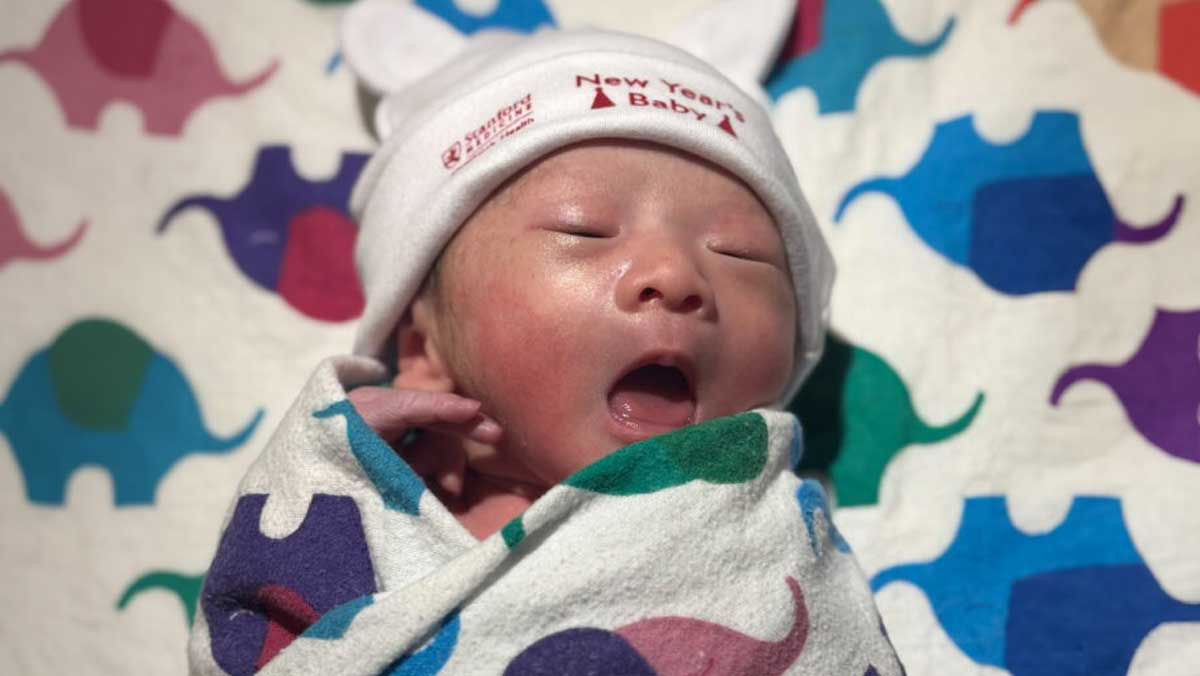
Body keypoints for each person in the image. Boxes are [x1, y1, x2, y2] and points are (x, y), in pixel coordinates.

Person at [189, 22, 903, 676]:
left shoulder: (770, 531)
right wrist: (326, 469)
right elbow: (250, 638)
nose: (678, 276)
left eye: (738, 252)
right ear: (424, 350)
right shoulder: (379, 528)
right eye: (585, 229)